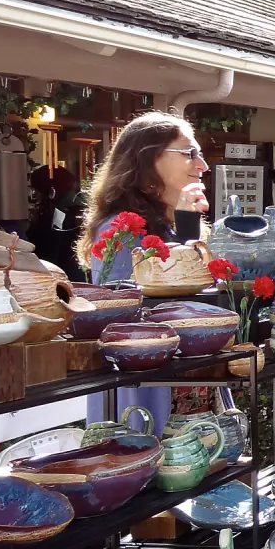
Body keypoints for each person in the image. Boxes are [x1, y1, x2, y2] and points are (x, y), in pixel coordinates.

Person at [79, 111, 210, 433]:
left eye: (200, 155)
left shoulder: (171, 224)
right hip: (143, 390)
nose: (202, 165)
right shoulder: (121, 230)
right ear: (148, 159)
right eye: (189, 154)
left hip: (185, 384)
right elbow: (129, 316)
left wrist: (188, 225)